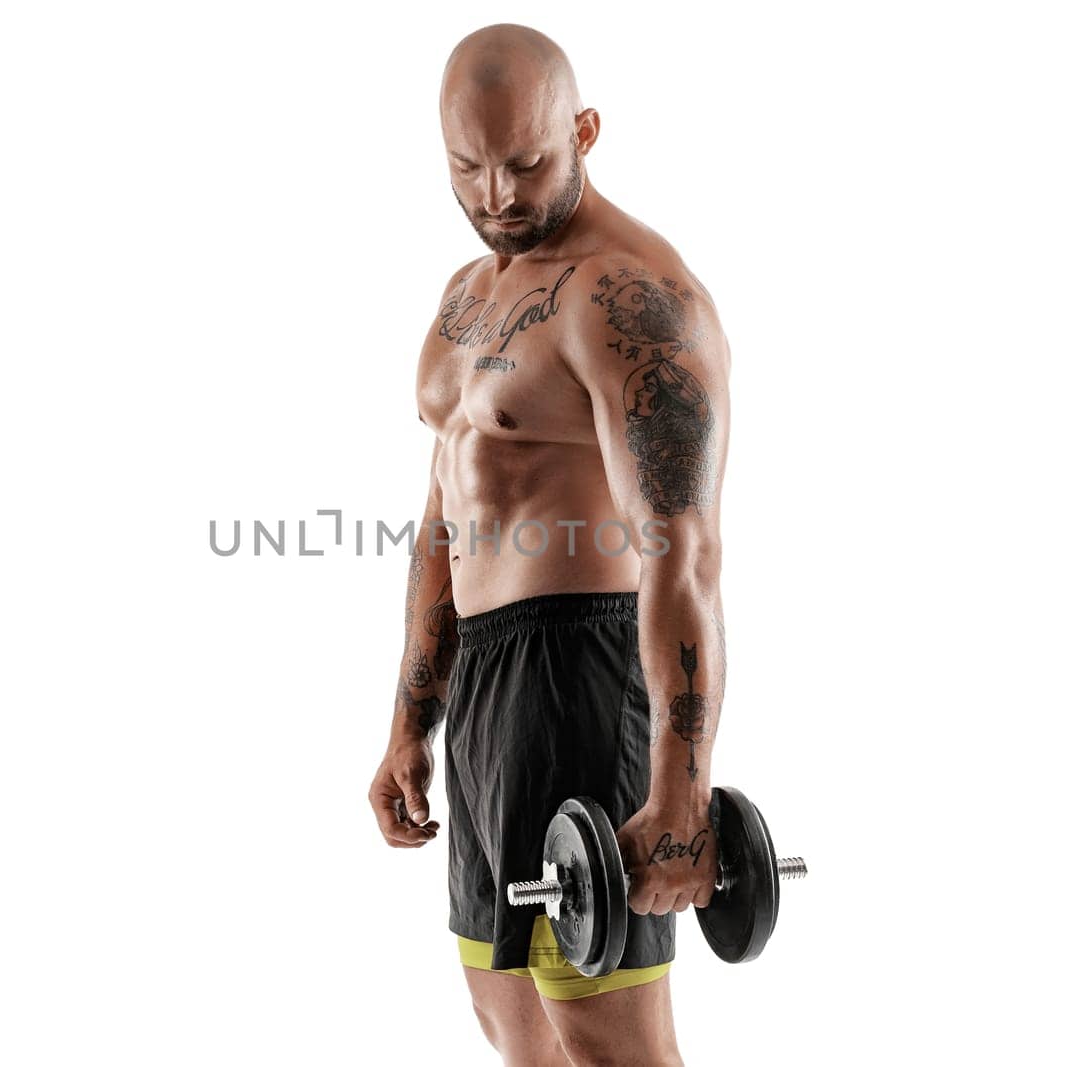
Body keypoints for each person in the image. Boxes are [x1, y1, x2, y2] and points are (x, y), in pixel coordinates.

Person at [368, 23, 731, 1066]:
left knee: (606, 1034)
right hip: (487, 685)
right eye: (467, 166)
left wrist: (680, 790)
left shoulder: (634, 300)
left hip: (586, 671)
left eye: (526, 162)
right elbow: (443, 513)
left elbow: (685, 556)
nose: (496, 194)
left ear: (583, 132)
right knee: (510, 1020)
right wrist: (410, 721)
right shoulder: (466, 297)